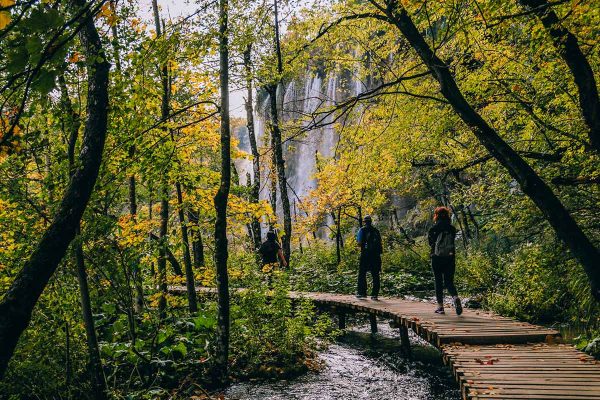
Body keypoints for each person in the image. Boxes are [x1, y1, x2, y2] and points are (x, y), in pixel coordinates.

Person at [428, 206, 462, 315]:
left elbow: (431, 243)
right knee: (449, 281)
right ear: (447, 215)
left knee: (438, 281)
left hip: (436, 257)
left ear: (436, 215)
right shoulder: (452, 229)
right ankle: (455, 297)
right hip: (450, 258)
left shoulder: (433, 229)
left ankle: (440, 307)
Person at [356, 215, 383, 300]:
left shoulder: (362, 230)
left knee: (362, 273)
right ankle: (374, 295)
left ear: (364, 222)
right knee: (375, 274)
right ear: (371, 222)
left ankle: (362, 293)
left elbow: (359, 243)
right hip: (376, 256)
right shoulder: (376, 231)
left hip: (365, 255)